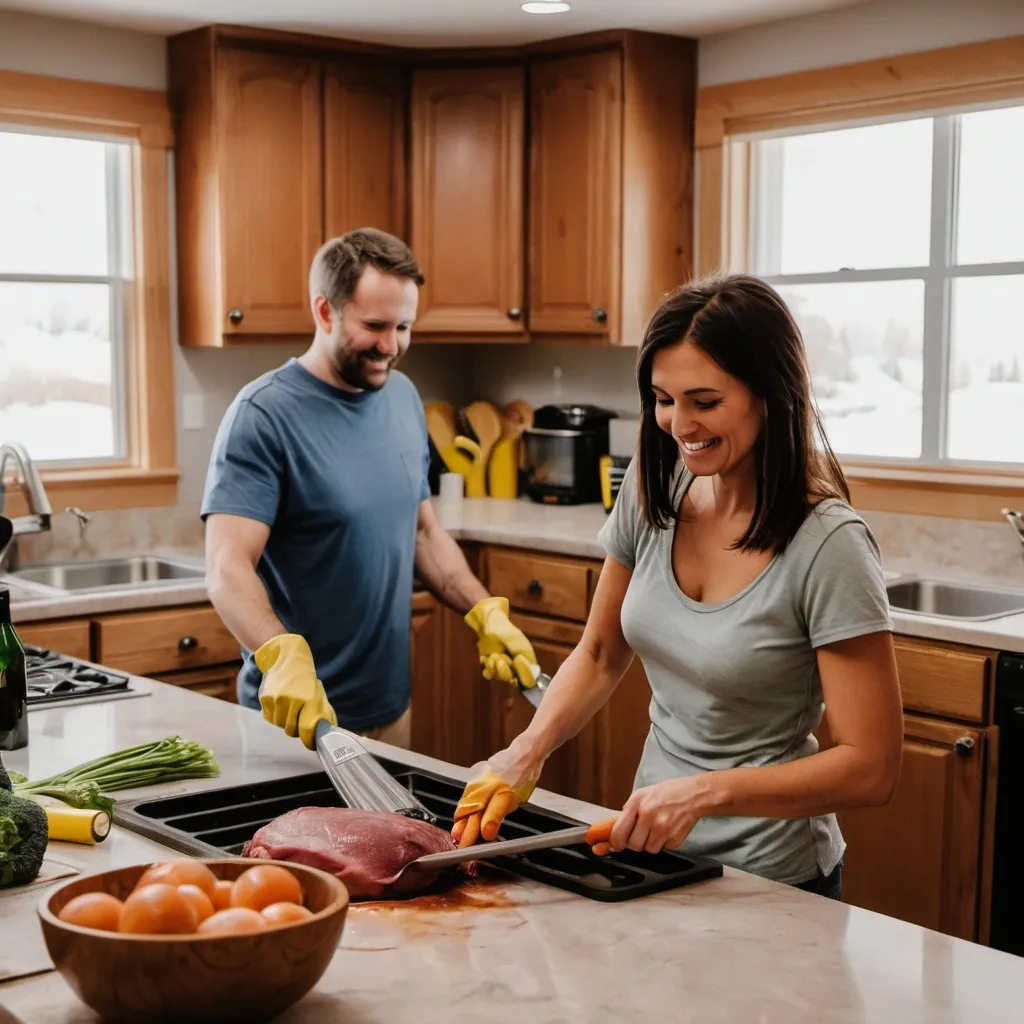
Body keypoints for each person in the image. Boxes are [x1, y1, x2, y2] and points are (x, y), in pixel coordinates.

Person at [452, 274, 903, 898]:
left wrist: (703, 793)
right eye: (663, 398)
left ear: (770, 395)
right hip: (653, 856)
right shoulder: (654, 485)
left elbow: (871, 767)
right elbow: (603, 651)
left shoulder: (828, 543)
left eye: (704, 401)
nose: (678, 424)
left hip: (774, 878)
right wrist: (525, 752)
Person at [202, 228, 539, 750]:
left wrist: (482, 609)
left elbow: (423, 532)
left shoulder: (403, 398)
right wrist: (278, 653)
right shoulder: (262, 415)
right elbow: (227, 566)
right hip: (296, 723)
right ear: (325, 312)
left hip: (390, 713)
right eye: (375, 326)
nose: (392, 346)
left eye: (404, 326)